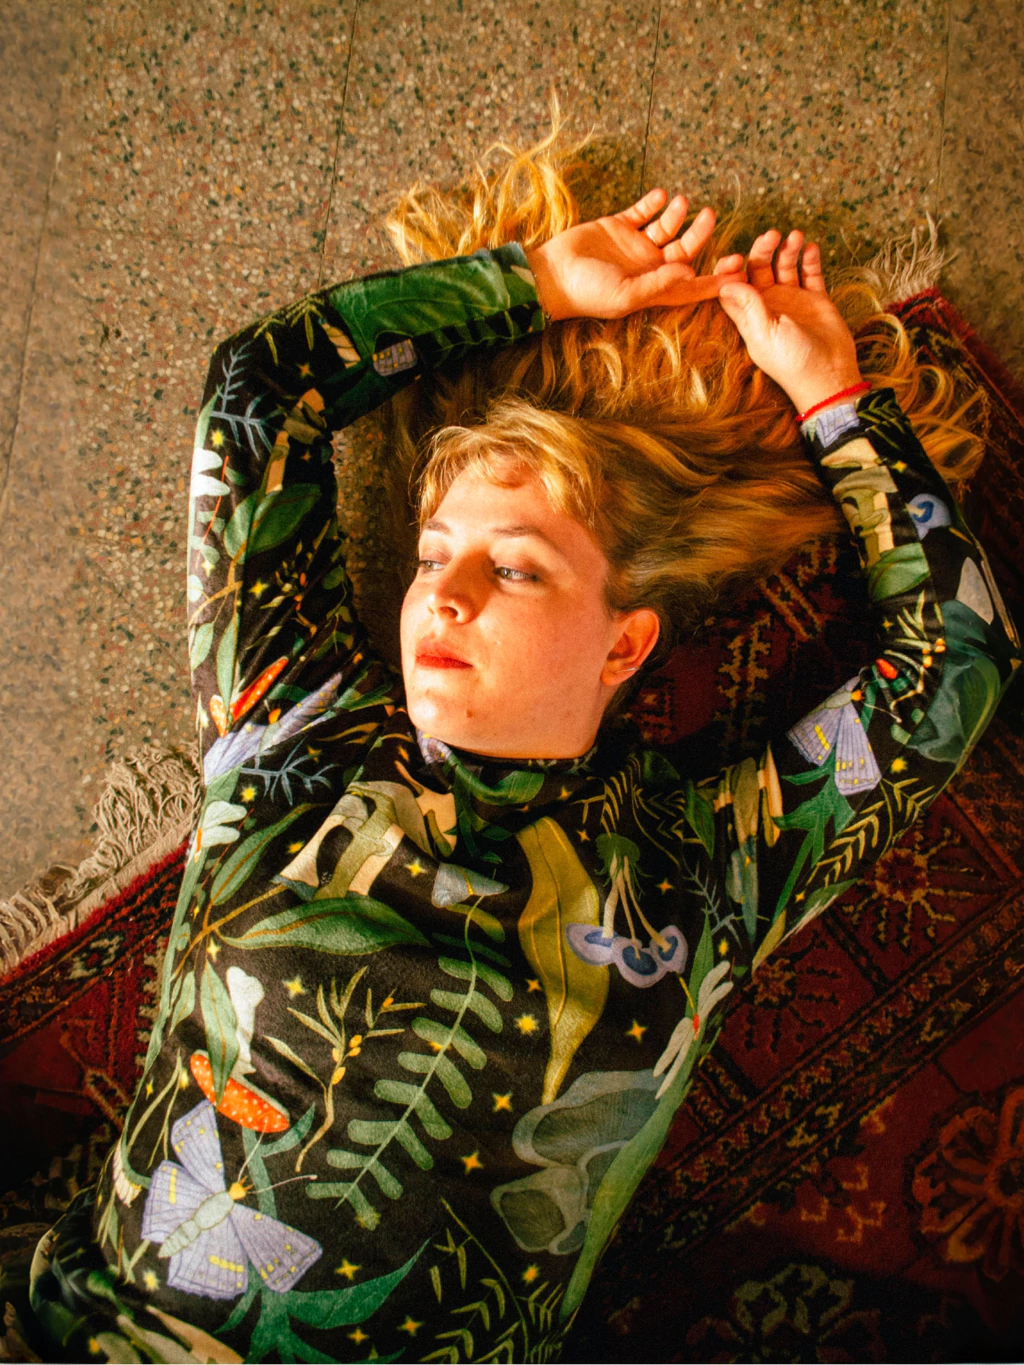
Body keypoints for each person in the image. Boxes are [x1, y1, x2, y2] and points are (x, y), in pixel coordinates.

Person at [15, 138, 1019, 1364]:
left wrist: (833, 401)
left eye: (517, 568)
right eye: (434, 556)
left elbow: (956, 664)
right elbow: (259, 393)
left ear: (623, 644)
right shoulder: (293, 740)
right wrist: (535, 281)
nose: (444, 594)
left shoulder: (702, 876)